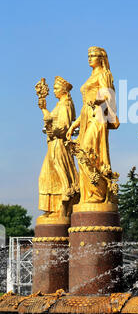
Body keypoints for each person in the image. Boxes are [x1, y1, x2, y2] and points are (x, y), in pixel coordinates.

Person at [66, 46, 119, 203]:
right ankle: (87, 194)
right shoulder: (90, 76)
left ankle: (97, 193)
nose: (89, 58)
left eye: (93, 55)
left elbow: (109, 95)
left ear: (101, 58)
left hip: (97, 116)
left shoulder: (104, 74)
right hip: (86, 116)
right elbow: (85, 107)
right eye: (88, 55)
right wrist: (73, 126)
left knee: (88, 152)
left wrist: (99, 100)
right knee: (82, 153)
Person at [38, 76, 79, 220]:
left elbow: (64, 126)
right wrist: (43, 109)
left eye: (56, 88)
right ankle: (52, 209)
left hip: (59, 144)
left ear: (64, 90)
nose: (54, 91)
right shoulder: (58, 105)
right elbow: (50, 120)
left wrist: (53, 130)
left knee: (61, 175)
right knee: (47, 176)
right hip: (52, 144)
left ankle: (62, 208)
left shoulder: (66, 105)